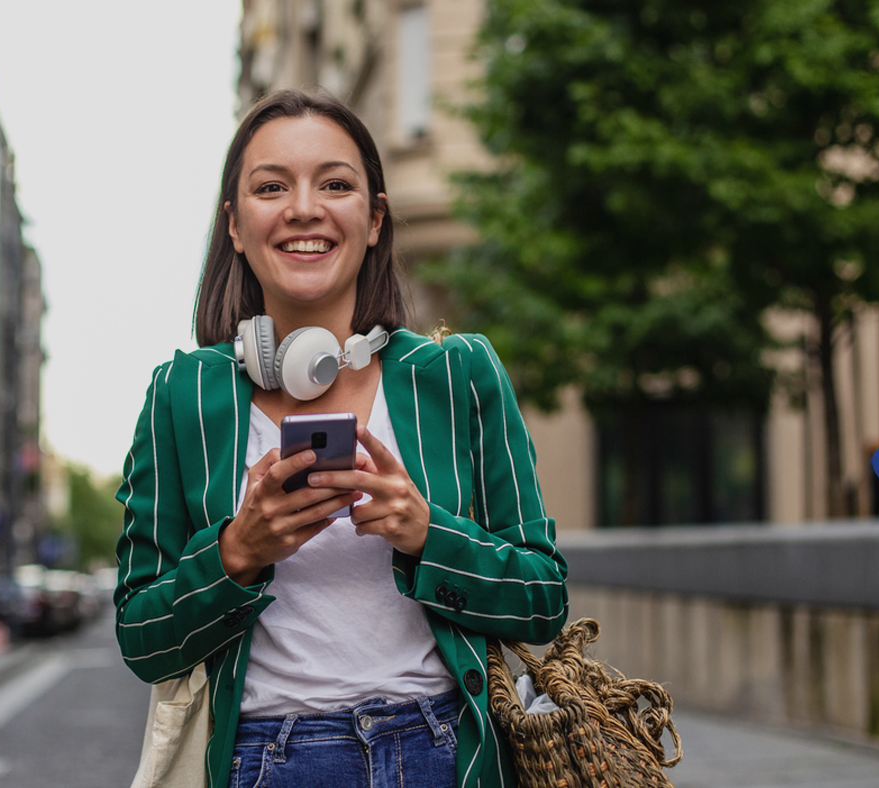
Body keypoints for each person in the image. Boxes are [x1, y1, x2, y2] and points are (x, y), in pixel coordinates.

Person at [115, 90, 569, 788]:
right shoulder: (181, 394)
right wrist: (237, 552)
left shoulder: (459, 374)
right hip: (265, 759)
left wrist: (426, 535)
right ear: (235, 226)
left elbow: (543, 599)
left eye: (335, 184)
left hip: (446, 752)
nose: (303, 208)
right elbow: (143, 638)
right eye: (272, 187)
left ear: (375, 218)